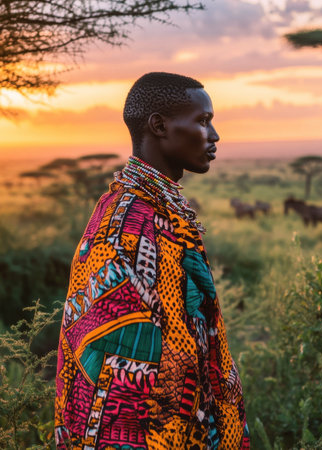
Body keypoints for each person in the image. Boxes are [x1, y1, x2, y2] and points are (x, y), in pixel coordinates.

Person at [55, 72, 250, 449]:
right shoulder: (129, 220)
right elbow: (118, 366)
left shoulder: (158, 208)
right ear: (159, 126)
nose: (214, 135)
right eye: (203, 121)